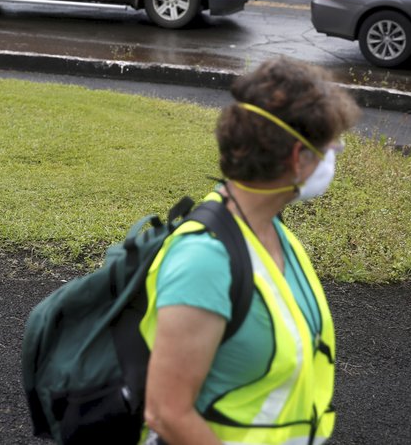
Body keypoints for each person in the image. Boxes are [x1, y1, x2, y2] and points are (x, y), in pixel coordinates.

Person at [140, 56, 360, 444]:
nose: (333, 159)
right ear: (297, 158)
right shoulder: (204, 262)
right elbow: (166, 413)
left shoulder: (272, 230)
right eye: (330, 148)